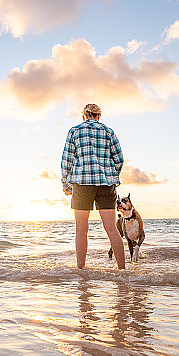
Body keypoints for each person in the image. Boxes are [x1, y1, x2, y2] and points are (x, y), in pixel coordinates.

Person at [61, 103, 126, 269]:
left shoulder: (74, 131)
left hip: (82, 183)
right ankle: (123, 271)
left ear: (83, 116)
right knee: (112, 228)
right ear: (99, 116)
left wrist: (66, 184)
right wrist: (111, 175)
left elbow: (66, 160)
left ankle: (81, 270)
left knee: (81, 230)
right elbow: (119, 159)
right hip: (106, 184)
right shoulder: (108, 131)